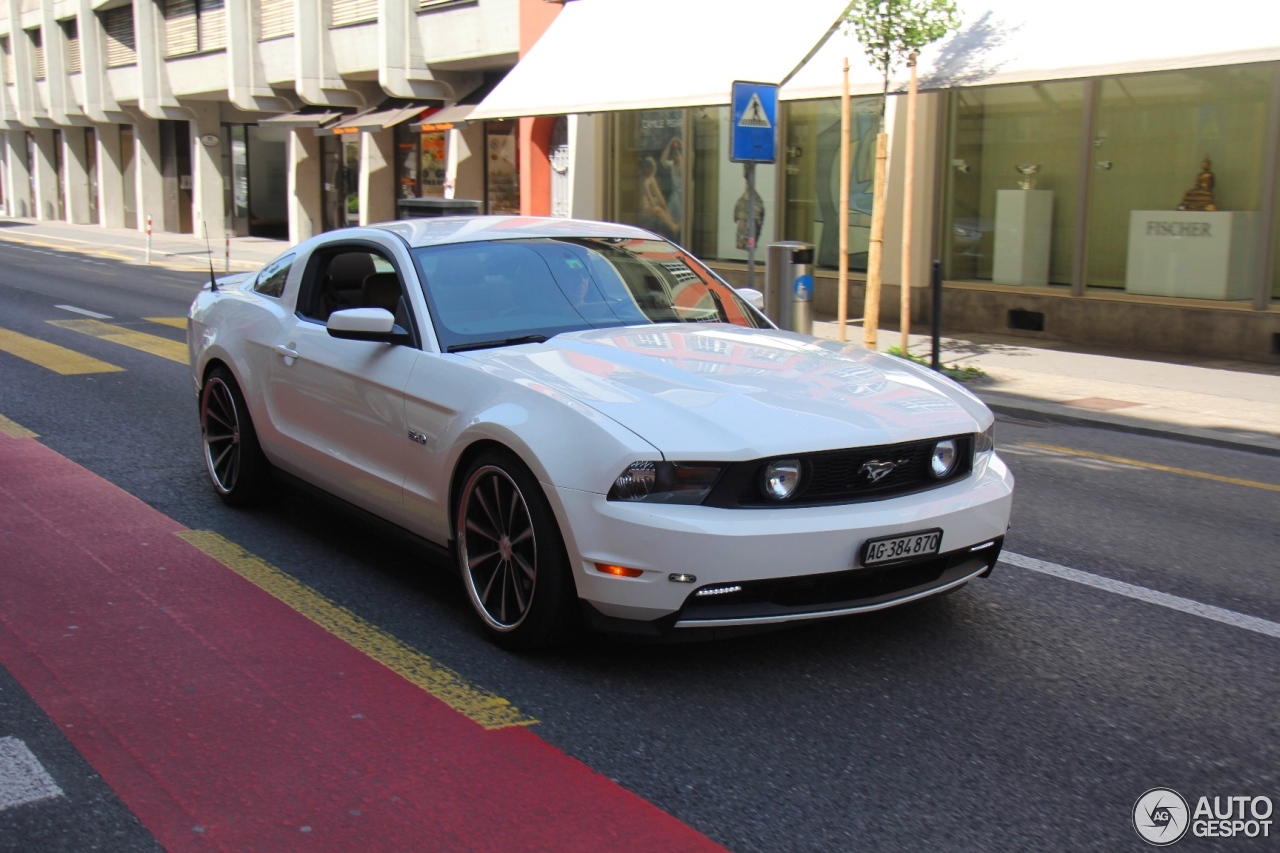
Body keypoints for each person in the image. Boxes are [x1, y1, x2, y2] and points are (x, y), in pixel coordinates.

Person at [639, 156, 680, 240]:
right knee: (658, 209)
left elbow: (659, 194)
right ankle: (673, 227)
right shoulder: (643, 182)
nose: (650, 172)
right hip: (644, 211)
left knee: (660, 205)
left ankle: (671, 223)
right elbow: (651, 201)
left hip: (650, 207)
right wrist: (660, 208)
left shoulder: (651, 179)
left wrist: (666, 208)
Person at [733, 164, 765, 251]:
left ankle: (750, 245)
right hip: (742, 236)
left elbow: (757, 224)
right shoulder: (742, 200)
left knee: (752, 234)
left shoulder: (756, 201)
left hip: (750, 235)